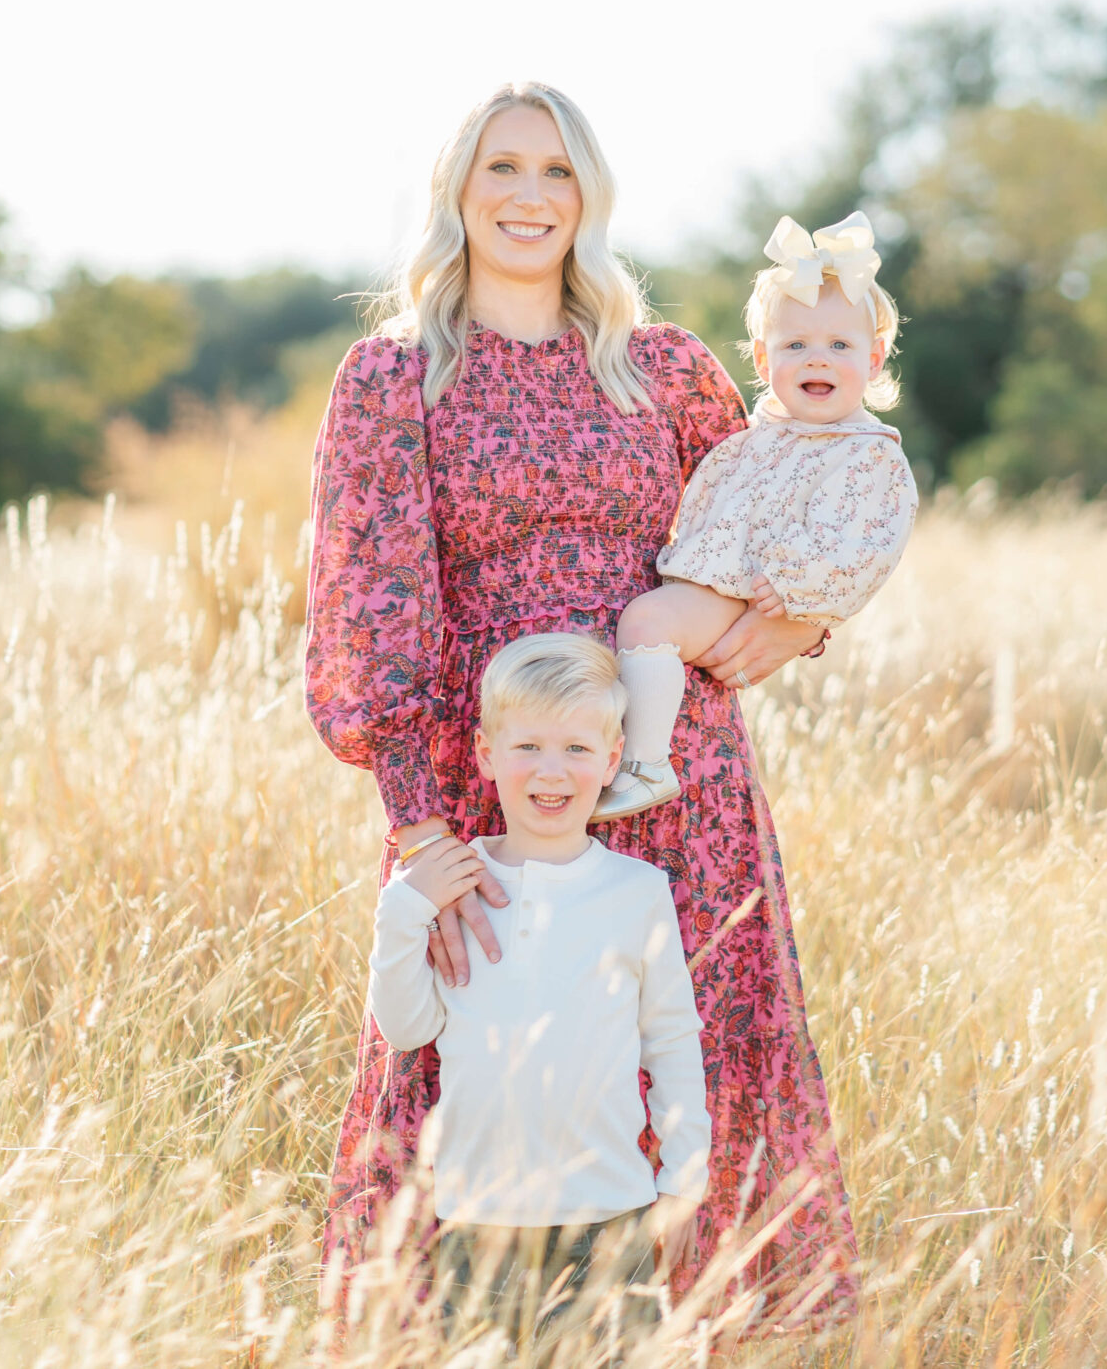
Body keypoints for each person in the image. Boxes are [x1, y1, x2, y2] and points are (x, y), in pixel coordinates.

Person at [307, 82, 859, 1335]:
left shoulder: (659, 365)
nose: (528, 196)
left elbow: (786, 503)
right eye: (502, 167)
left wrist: (791, 625)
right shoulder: (396, 377)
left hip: (678, 772)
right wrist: (421, 829)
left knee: (697, 1047)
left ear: (588, 197)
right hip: (494, 782)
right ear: (458, 189)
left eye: (557, 173)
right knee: (484, 1055)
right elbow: (369, 603)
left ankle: (711, 1337)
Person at [367, 632, 706, 1359]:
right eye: (528, 747)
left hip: (610, 1213)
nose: (552, 771)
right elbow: (407, 1028)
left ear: (613, 759)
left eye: (579, 750)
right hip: (479, 1218)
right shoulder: (457, 886)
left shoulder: (636, 892)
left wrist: (685, 1179)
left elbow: (672, 1039)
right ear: (486, 754)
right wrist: (402, 911)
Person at [597, 212, 920, 817]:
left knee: (645, 624)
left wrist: (800, 595)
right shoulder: (759, 435)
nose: (816, 360)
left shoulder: (868, 455)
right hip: (720, 578)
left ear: (874, 359)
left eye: (839, 346)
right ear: (764, 362)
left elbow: (870, 544)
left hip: (750, 590)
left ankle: (645, 764)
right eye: (796, 345)